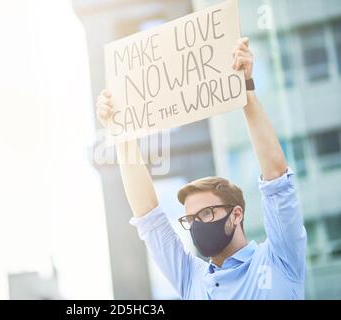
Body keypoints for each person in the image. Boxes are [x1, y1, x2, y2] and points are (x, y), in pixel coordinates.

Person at [95, 37, 307, 299]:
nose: (197, 225)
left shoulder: (279, 259)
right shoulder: (190, 277)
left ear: (236, 214)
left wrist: (246, 90)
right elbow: (147, 215)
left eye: (206, 213)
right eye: (190, 219)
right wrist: (119, 133)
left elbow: (276, 179)